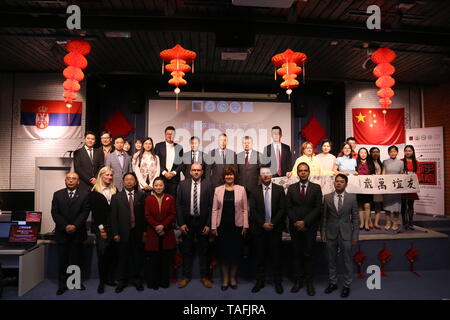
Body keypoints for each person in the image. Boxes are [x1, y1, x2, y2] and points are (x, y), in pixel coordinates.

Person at [51, 172, 90, 295]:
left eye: (74, 179)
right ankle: (63, 285)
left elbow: (85, 213)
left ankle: (76, 282)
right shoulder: (57, 194)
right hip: (62, 232)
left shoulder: (85, 195)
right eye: (69, 178)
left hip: (78, 232)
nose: (71, 181)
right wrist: (65, 226)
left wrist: (74, 225)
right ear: (65, 181)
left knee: (77, 259)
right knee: (63, 260)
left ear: (78, 181)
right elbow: (55, 213)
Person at [286, 162, 322, 296]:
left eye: (305, 170)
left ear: (309, 172)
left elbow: (318, 208)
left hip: (310, 227)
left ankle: (309, 283)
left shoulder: (316, 188)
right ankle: (297, 281)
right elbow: (288, 207)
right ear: (297, 172)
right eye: (300, 170)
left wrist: (305, 222)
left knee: (308, 254)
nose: (303, 173)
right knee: (296, 254)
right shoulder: (291, 188)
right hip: (295, 227)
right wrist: (296, 221)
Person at [321, 174, 359, 298]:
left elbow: (355, 219)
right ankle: (333, 283)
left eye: (341, 182)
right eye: (337, 181)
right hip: (330, 234)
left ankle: (347, 285)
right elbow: (324, 217)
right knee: (331, 260)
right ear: (334, 183)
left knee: (347, 261)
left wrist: (355, 236)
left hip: (346, 234)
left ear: (346, 184)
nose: (338, 183)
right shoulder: (327, 198)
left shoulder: (352, 198)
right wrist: (323, 233)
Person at [250, 167, 286, 294]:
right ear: (260, 176)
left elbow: (282, 208)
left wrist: (272, 223)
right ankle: (260, 281)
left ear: (272, 175)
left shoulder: (279, 189)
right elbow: (252, 210)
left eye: (267, 173)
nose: (265, 176)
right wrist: (263, 223)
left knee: (276, 257)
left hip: (275, 229)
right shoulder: (254, 191)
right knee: (260, 257)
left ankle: (278, 282)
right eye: (263, 174)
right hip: (259, 229)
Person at [211, 166, 248, 290]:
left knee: (235, 254)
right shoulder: (218, 190)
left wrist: (245, 225)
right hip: (222, 227)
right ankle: (225, 279)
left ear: (235, 176)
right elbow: (214, 209)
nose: (229, 177)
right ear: (224, 177)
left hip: (237, 227)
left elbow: (245, 209)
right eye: (227, 175)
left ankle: (233, 278)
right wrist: (213, 226)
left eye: (231, 174)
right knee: (223, 254)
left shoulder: (241, 189)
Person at [176, 163, 213, 289]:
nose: (196, 172)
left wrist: (209, 224)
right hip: (187, 222)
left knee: (204, 251)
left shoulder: (208, 184)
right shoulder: (182, 184)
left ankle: (204, 277)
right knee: (187, 250)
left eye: (199, 170)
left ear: (202, 172)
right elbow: (178, 206)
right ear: (190, 172)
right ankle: (186, 277)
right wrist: (180, 223)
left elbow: (211, 206)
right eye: (194, 170)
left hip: (203, 222)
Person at [111, 172, 146, 293]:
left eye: (132, 179)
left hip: (137, 232)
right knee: (122, 258)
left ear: (135, 182)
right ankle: (121, 281)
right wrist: (115, 233)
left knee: (137, 257)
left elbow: (144, 216)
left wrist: (144, 232)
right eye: (127, 179)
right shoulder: (116, 197)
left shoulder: (142, 196)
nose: (129, 181)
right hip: (122, 233)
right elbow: (113, 217)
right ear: (123, 181)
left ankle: (137, 280)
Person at [89, 166, 118, 294]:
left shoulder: (115, 190)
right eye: (106, 175)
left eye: (111, 175)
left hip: (113, 227)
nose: (109, 177)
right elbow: (96, 214)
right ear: (101, 176)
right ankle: (101, 282)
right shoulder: (94, 191)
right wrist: (101, 229)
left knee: (112, 254)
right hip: (101, 228)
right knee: (102, 254)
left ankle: (110, 279)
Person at [144, 177, 176, 289]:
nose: (158, 187)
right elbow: (147, 215)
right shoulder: (148, 199)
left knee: (165, 259)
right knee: (154, 260)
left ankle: (164, 282)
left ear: (164, 186)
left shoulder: (170, 198)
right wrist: (157, 226)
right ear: (153, 186)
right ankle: (154, 282)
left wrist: (163, 225)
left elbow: (172, 214)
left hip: (166, 233)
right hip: (153, 233)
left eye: (160, 185)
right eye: (156, 185)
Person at [154, 126, 184, 198]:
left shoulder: (179, 147)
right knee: (160, 199)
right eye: (168, 134)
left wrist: (173, 173)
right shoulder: (158, 146)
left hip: (174, 179)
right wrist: (164, 173)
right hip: (161, 177)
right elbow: (156, 162)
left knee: (173, 199)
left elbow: (181, 163)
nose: (170, 136)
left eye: (172, 134)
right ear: (165, 134)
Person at [382, 145, 404, 231]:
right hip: (388, 187)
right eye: (391, 151)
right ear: (388, 153)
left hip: (397, 187)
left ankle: (395, 222)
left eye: (394, 151)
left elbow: (402, 174)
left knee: (396, 206)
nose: (393, 153)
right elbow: (383, 173)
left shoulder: (401, 162)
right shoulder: (385, 162)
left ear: (397, 152)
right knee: (387, 205)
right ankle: (388, 222)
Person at [401, 145, 420, 230]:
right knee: (403, 205)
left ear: (413, 152)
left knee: (411, 204)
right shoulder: (401, 161)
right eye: (406, 151)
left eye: (410, 151)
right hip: (403, 185)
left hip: (412, 185)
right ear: (404, 152)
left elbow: (418, 174)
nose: (408, 152)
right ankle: (404, 222)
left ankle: (411, 222)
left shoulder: (416, 162)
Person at [356, 148, 375, 231]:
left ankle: (367, 223)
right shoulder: (355, 162)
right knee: (360, 205)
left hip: (368, 187)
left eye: (365, 152)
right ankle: (362, 223)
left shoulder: (371, 163)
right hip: (358, 187)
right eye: (361, 152)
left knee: (367, 205)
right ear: (359, 154)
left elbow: (373, 173)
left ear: (367, 154)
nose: (363, 154)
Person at [369, 147, 383, 229]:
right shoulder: (368, 162)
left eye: (377, 152)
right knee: (369, 204)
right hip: (370, 186)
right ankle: (370, 222)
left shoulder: (380, 163)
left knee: (378, 204)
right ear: (370, 153)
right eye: (373, 152)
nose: (375, 153)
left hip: (379, 186)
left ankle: (376, 223)